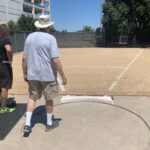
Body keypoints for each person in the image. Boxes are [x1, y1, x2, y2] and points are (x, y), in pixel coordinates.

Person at [22, 15, 67, 133]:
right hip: (47, 75)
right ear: (48, 26)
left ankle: (27, 124)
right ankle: (49, 123)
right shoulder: (51, 38)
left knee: (32, 98)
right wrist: (63, 76)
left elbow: (24, 58)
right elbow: (55, 60)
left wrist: (25, 73)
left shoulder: (29, 37)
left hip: (32, 73)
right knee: (49, 99)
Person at [0, 24, 15, 113]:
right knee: (5, 87)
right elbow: (9, 50)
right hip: (3, 66)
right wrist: (10, 60)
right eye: (8, 30)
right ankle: (3, 108)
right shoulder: (5, 39)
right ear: (5, 31)